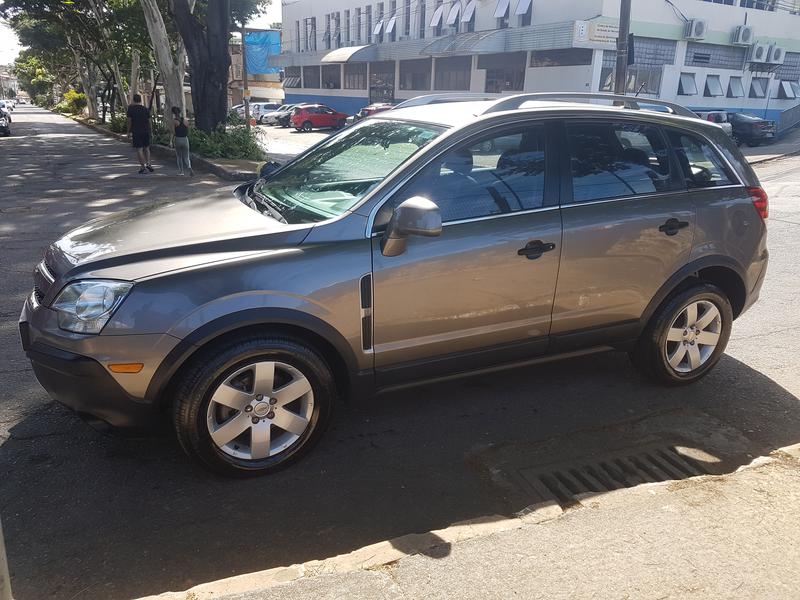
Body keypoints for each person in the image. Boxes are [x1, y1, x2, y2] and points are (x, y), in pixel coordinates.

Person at [126, 94, 153, 174]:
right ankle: (148, 163)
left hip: (136, 131)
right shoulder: (145, 109)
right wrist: (151, 131)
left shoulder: (131, 109)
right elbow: (149, 122)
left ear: (133, 100)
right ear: (140, 100)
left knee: (139, 149)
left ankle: (143, 167)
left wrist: (128, 131)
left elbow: (129, 121)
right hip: (146, 131)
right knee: (147, 148)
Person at [170, 106, 193, 176]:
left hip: (178, 139)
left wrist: (170, 141)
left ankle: (181, 171)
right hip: (185, 139)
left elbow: (173, 132)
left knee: (179, 156)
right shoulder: (185, 120)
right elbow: (188, 130)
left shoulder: (174, 121)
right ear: (180, 112)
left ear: (173, 113)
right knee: (186, 156)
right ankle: (189, 167)